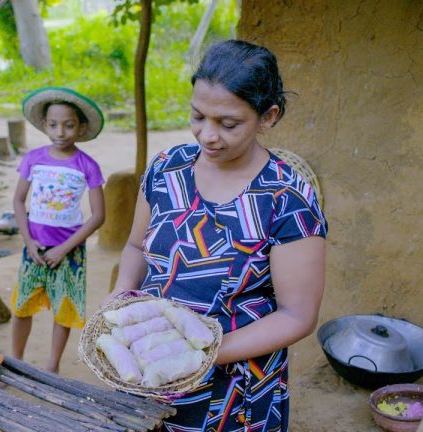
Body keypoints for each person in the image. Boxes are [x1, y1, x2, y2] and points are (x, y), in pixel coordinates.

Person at [106, 40, 327, 430]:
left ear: (268, 116)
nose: (208, 135)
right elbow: (136, 246)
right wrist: (122, 294)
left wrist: (204, 354)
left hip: (235, 388)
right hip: (151, 365)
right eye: (197, 117)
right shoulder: (166, 170)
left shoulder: (287, 198)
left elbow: (297, 315)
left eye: (228, 124)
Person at [11, 86, 106, 373]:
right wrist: (27, 242)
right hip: (35, 249)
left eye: (69, 125)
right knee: (21, 307)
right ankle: (15, 361)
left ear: (81, 127)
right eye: (53, 125)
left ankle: (52, 368)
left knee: (63, 311)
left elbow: (99, 215)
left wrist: (64, 248)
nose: (60, 132)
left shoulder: (87, 165)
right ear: (44, 125)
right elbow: (18, 200)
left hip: (70, 254)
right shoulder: (34, 159)